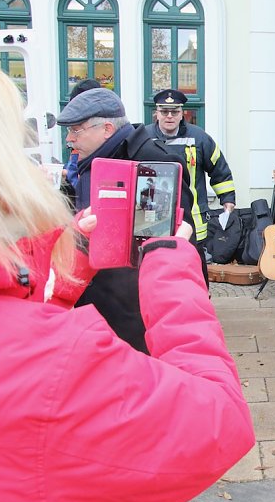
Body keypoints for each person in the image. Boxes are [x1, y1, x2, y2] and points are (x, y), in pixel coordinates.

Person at [0, 55, 254, 502]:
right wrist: (168, 265)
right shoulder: (53, 356)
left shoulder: (162, 149)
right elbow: (218, 420)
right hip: (134, 292)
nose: (64, 143)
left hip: (132, 291)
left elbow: (207, 181)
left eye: (74, 131)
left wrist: (69, 253)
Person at [59, 88, 196, 353]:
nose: (69, 139)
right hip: (96, 300)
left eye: (76, 130)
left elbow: (174, 236)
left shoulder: (154, 160)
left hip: (131, 306)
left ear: (107, 128)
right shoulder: (92, 158)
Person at [146, 89, 236, 246]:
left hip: (192, 217)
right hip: (153, 216)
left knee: (192, 264)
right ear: (157, 113)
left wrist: (227, 198)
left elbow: (218, 168)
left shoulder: (199, 137)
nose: (169, 116)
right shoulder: (144, 137)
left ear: (182, 114)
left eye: (174, 112)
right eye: (164, 111)